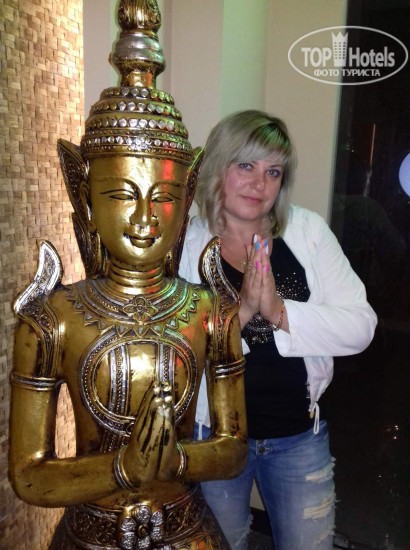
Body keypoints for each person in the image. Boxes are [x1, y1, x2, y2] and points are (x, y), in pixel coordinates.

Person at [8, 3, 248, 549]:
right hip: (89, 535)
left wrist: (174, 461)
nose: (145, 219)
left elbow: (233, 449)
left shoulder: (211, 312)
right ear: (85, 199)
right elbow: (28, 475)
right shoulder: (52, 320)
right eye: (121, 194)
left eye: (164, 196)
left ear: (186, 198)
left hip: (188, 532)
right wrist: (122, 469)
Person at [179, 110, 378, 550]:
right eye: (245, 165)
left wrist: (279, 310)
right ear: (217, 167)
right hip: (213, 437)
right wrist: (244, 311)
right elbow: (177, 353)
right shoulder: (185, 244)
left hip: (297, 435)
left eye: (273, 171)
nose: (260, 183)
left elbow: (361, 326)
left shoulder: (306, 230)